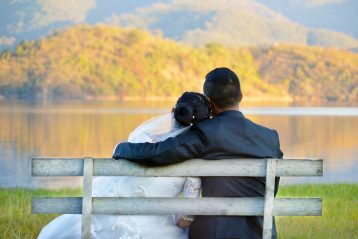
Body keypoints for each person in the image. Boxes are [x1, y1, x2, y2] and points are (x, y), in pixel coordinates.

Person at [113, 67, 284, 239]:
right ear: (241, 96)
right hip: (261, 232)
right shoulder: (270, 137)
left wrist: (121, 148)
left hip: (215, 233)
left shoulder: (206, 132)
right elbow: (271, 189)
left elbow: (156, 154)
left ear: (209, 102)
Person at [37, 92, 212, 239]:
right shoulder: (193, 165)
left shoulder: (139, 140)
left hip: (105, 217)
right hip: (154, 231)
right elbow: (187, 216)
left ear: (172, 111)